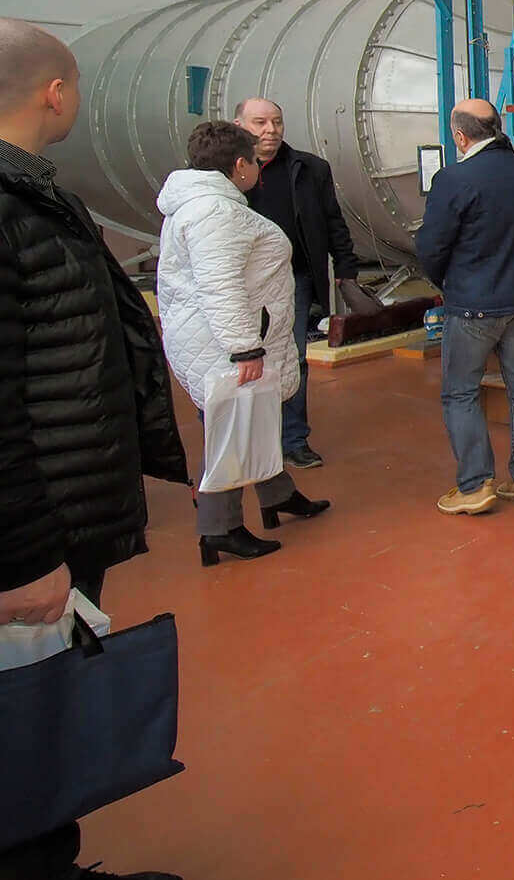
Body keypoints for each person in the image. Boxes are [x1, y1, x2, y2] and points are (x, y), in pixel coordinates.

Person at [0, 19, 189, 880]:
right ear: (56, 92)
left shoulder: (32, 193)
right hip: (34, 534)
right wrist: (24, 553)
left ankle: (44, 873)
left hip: (60, 510)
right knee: (25, 714)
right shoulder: (11, 206)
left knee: (43, 708)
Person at [155, 121, 329, 566]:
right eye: (253, 161)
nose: (257, 168)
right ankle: (219, 529)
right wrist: (245, 348)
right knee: (229, 432)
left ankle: (277, 495)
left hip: (219, 336)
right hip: (226, 344)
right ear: (239, 165)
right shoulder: (215, 212)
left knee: (252, 419)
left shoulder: (202, 205)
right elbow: (220, 285)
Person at [413, 100, 514, 516]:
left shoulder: (453, 179)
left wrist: (448, 284)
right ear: (497, 127)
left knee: (461, 392)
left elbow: (431, 247)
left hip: (473, 306)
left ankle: (476, 485)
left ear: (460, 137)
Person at [233, 98, 368, 470]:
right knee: (241, 363)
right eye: (260, 122)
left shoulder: (309, 169)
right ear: (239, 125)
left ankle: (293, 440)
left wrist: (345, 268)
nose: (271, 130)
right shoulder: (225, 173)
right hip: (242, 284)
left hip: (294, 279)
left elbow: (333, 221)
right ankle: (249, 443)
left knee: (293, 359)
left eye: (276, 122)